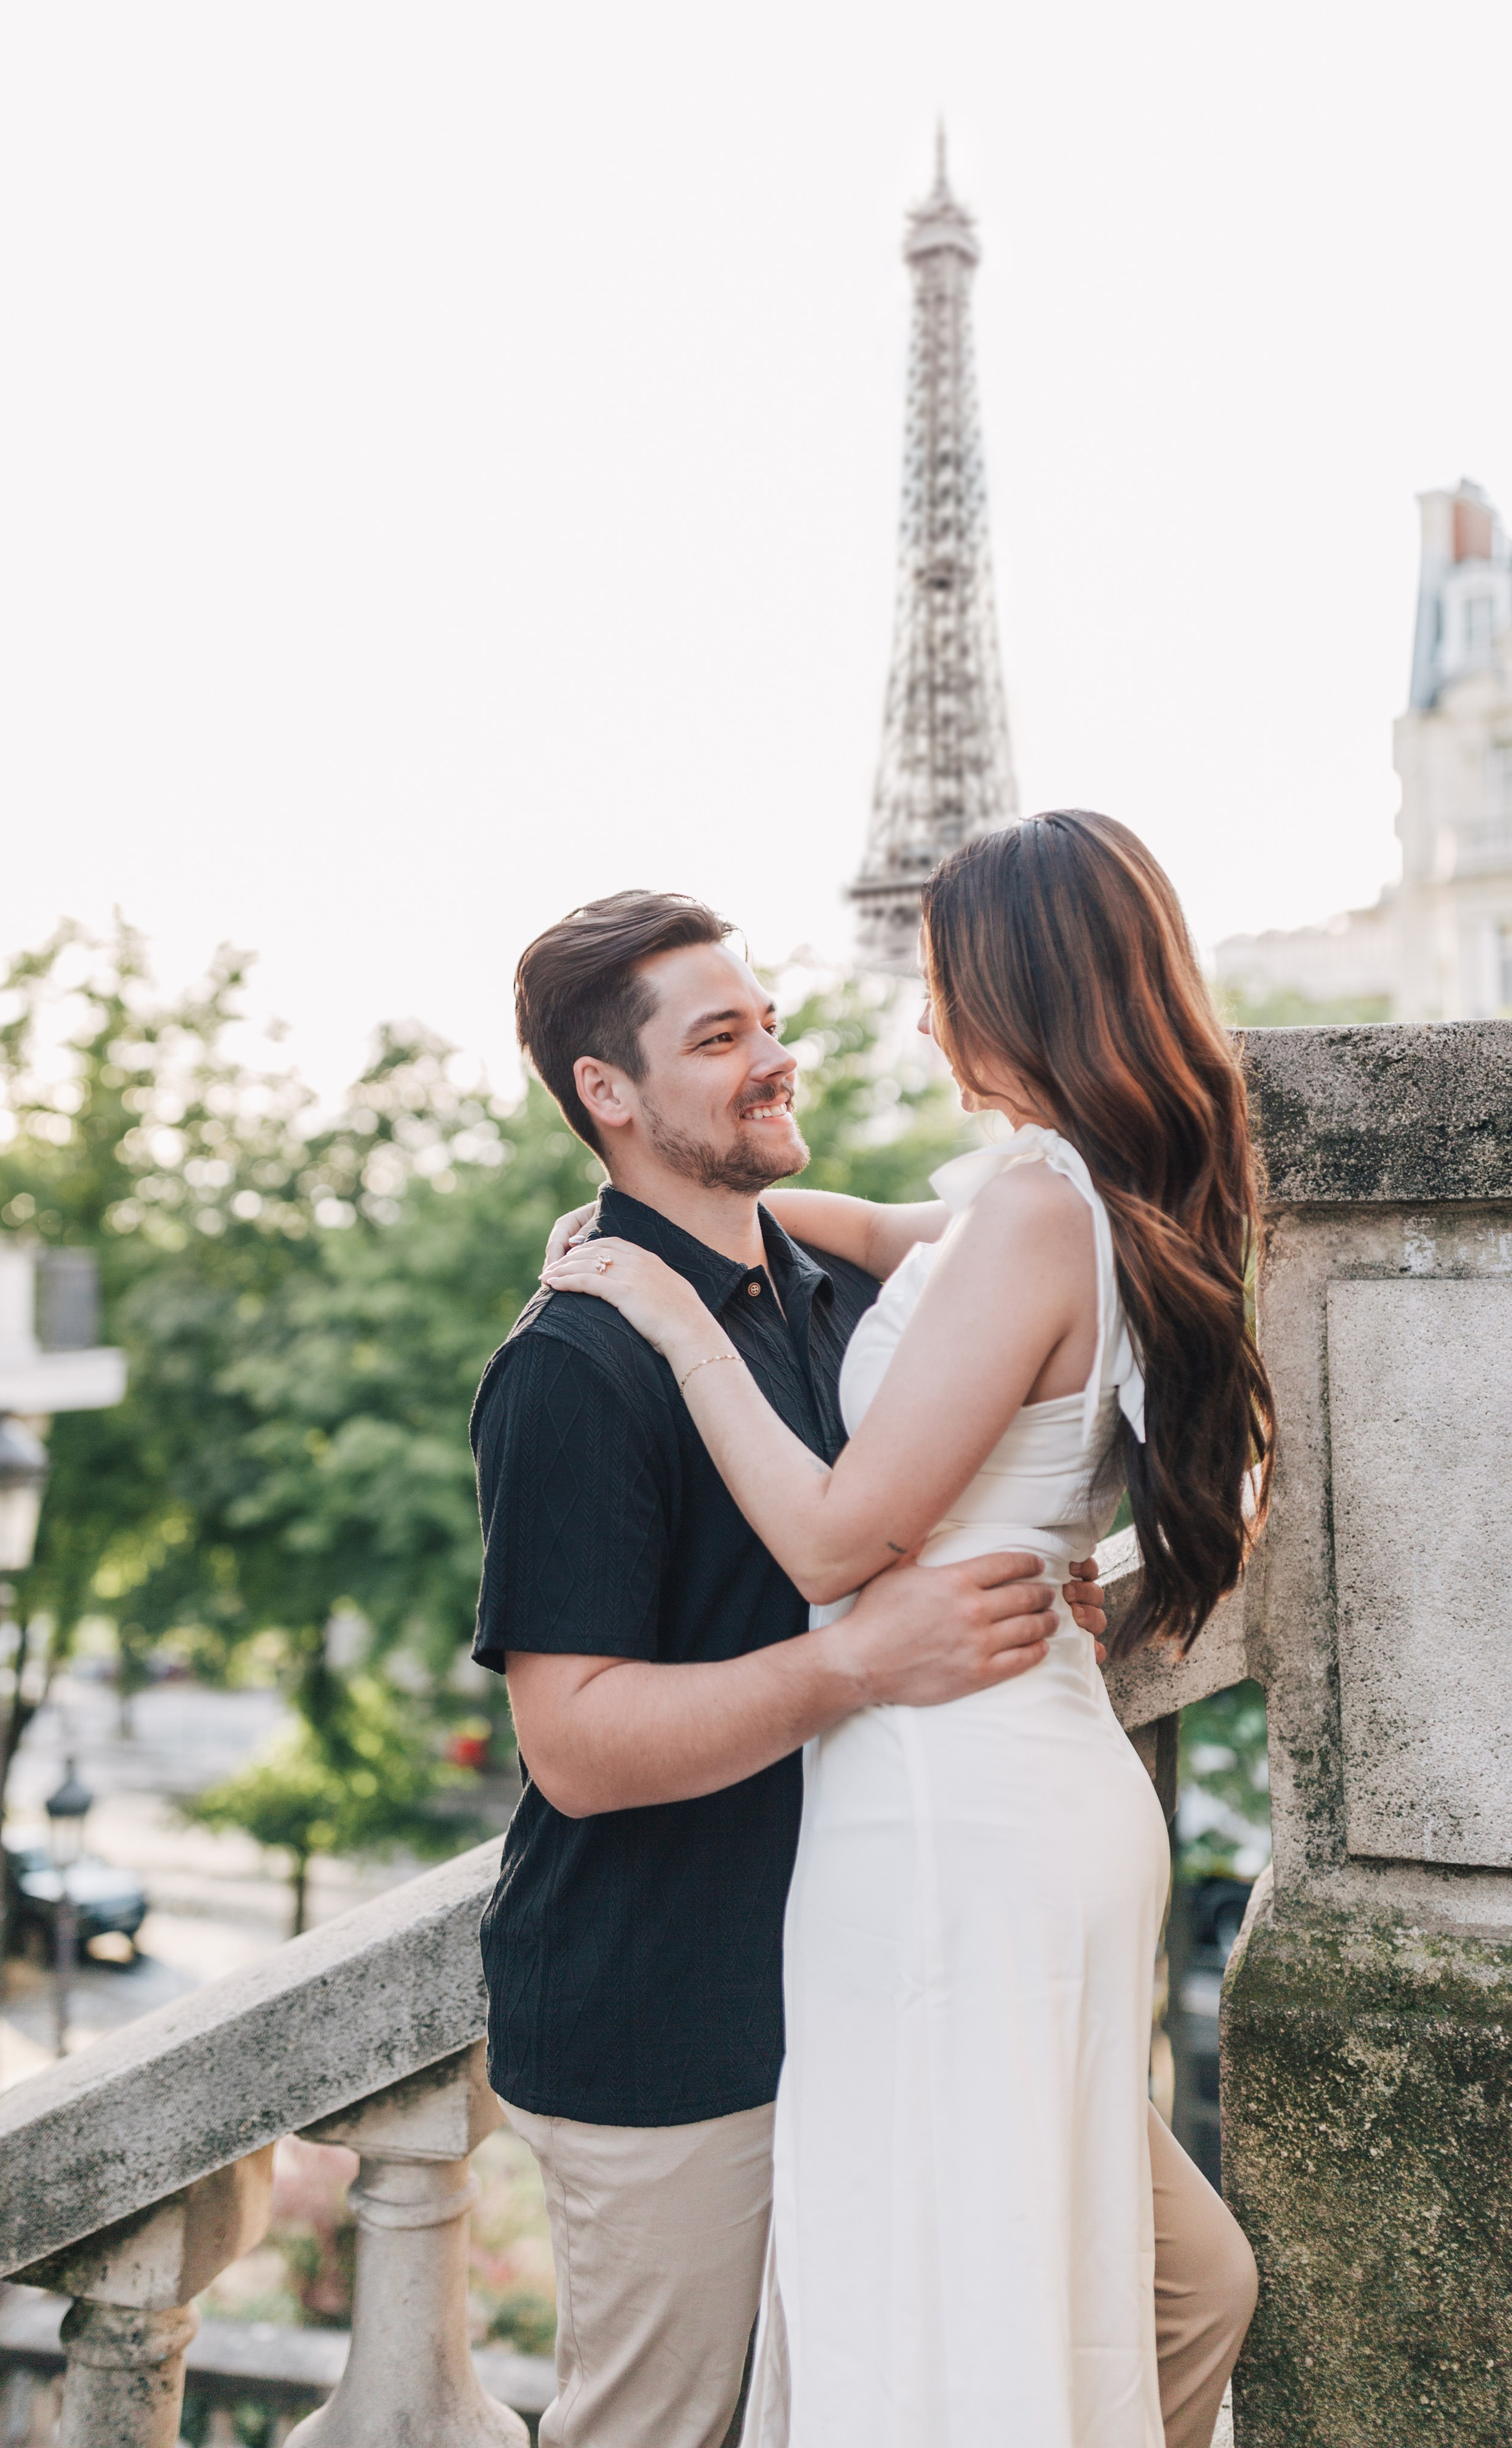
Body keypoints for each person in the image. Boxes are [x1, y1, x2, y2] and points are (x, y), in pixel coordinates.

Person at [540, 815, 1269, 2448]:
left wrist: (659, 1308)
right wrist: (694, 1229)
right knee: (1023, 2267)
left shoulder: (1032, 1210)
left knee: (939, 2296)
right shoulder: (1079, 1193)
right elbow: (866, 1229)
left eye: (943, 984)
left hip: (949, 1803)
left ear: (1019, 987)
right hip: (1035, 1776)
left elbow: (826, 1536)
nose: (921, 1021)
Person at [470, 888, 1110, 2448]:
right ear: (604, 1097)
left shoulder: (835, 1294)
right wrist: (858, 1667)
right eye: (720, 1036)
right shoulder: (571, 1366)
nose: (775, 1055)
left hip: (885, 1963)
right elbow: (574, 1746)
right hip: (667, 2003)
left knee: (1175, 2298)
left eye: (766, 1020)